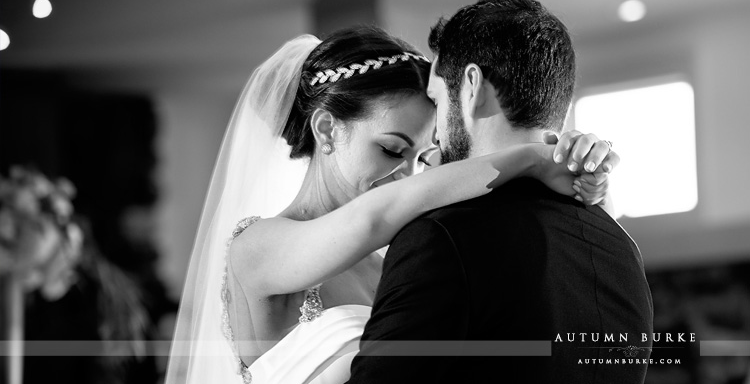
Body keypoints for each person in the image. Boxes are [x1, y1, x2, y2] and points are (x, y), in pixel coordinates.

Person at [164, 26, 617, 384]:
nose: (408, 173)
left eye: (421, 157)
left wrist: (579, 167)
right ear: (327, 129)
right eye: (390, 148)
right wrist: (531, 157)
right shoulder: (256, 247)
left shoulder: (401, 261)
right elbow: (375, 216)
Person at [346, 0, 654, 384]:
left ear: (471, 86)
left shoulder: (442, 239)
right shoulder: (620, 248)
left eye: (437, 99)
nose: (436, 135)